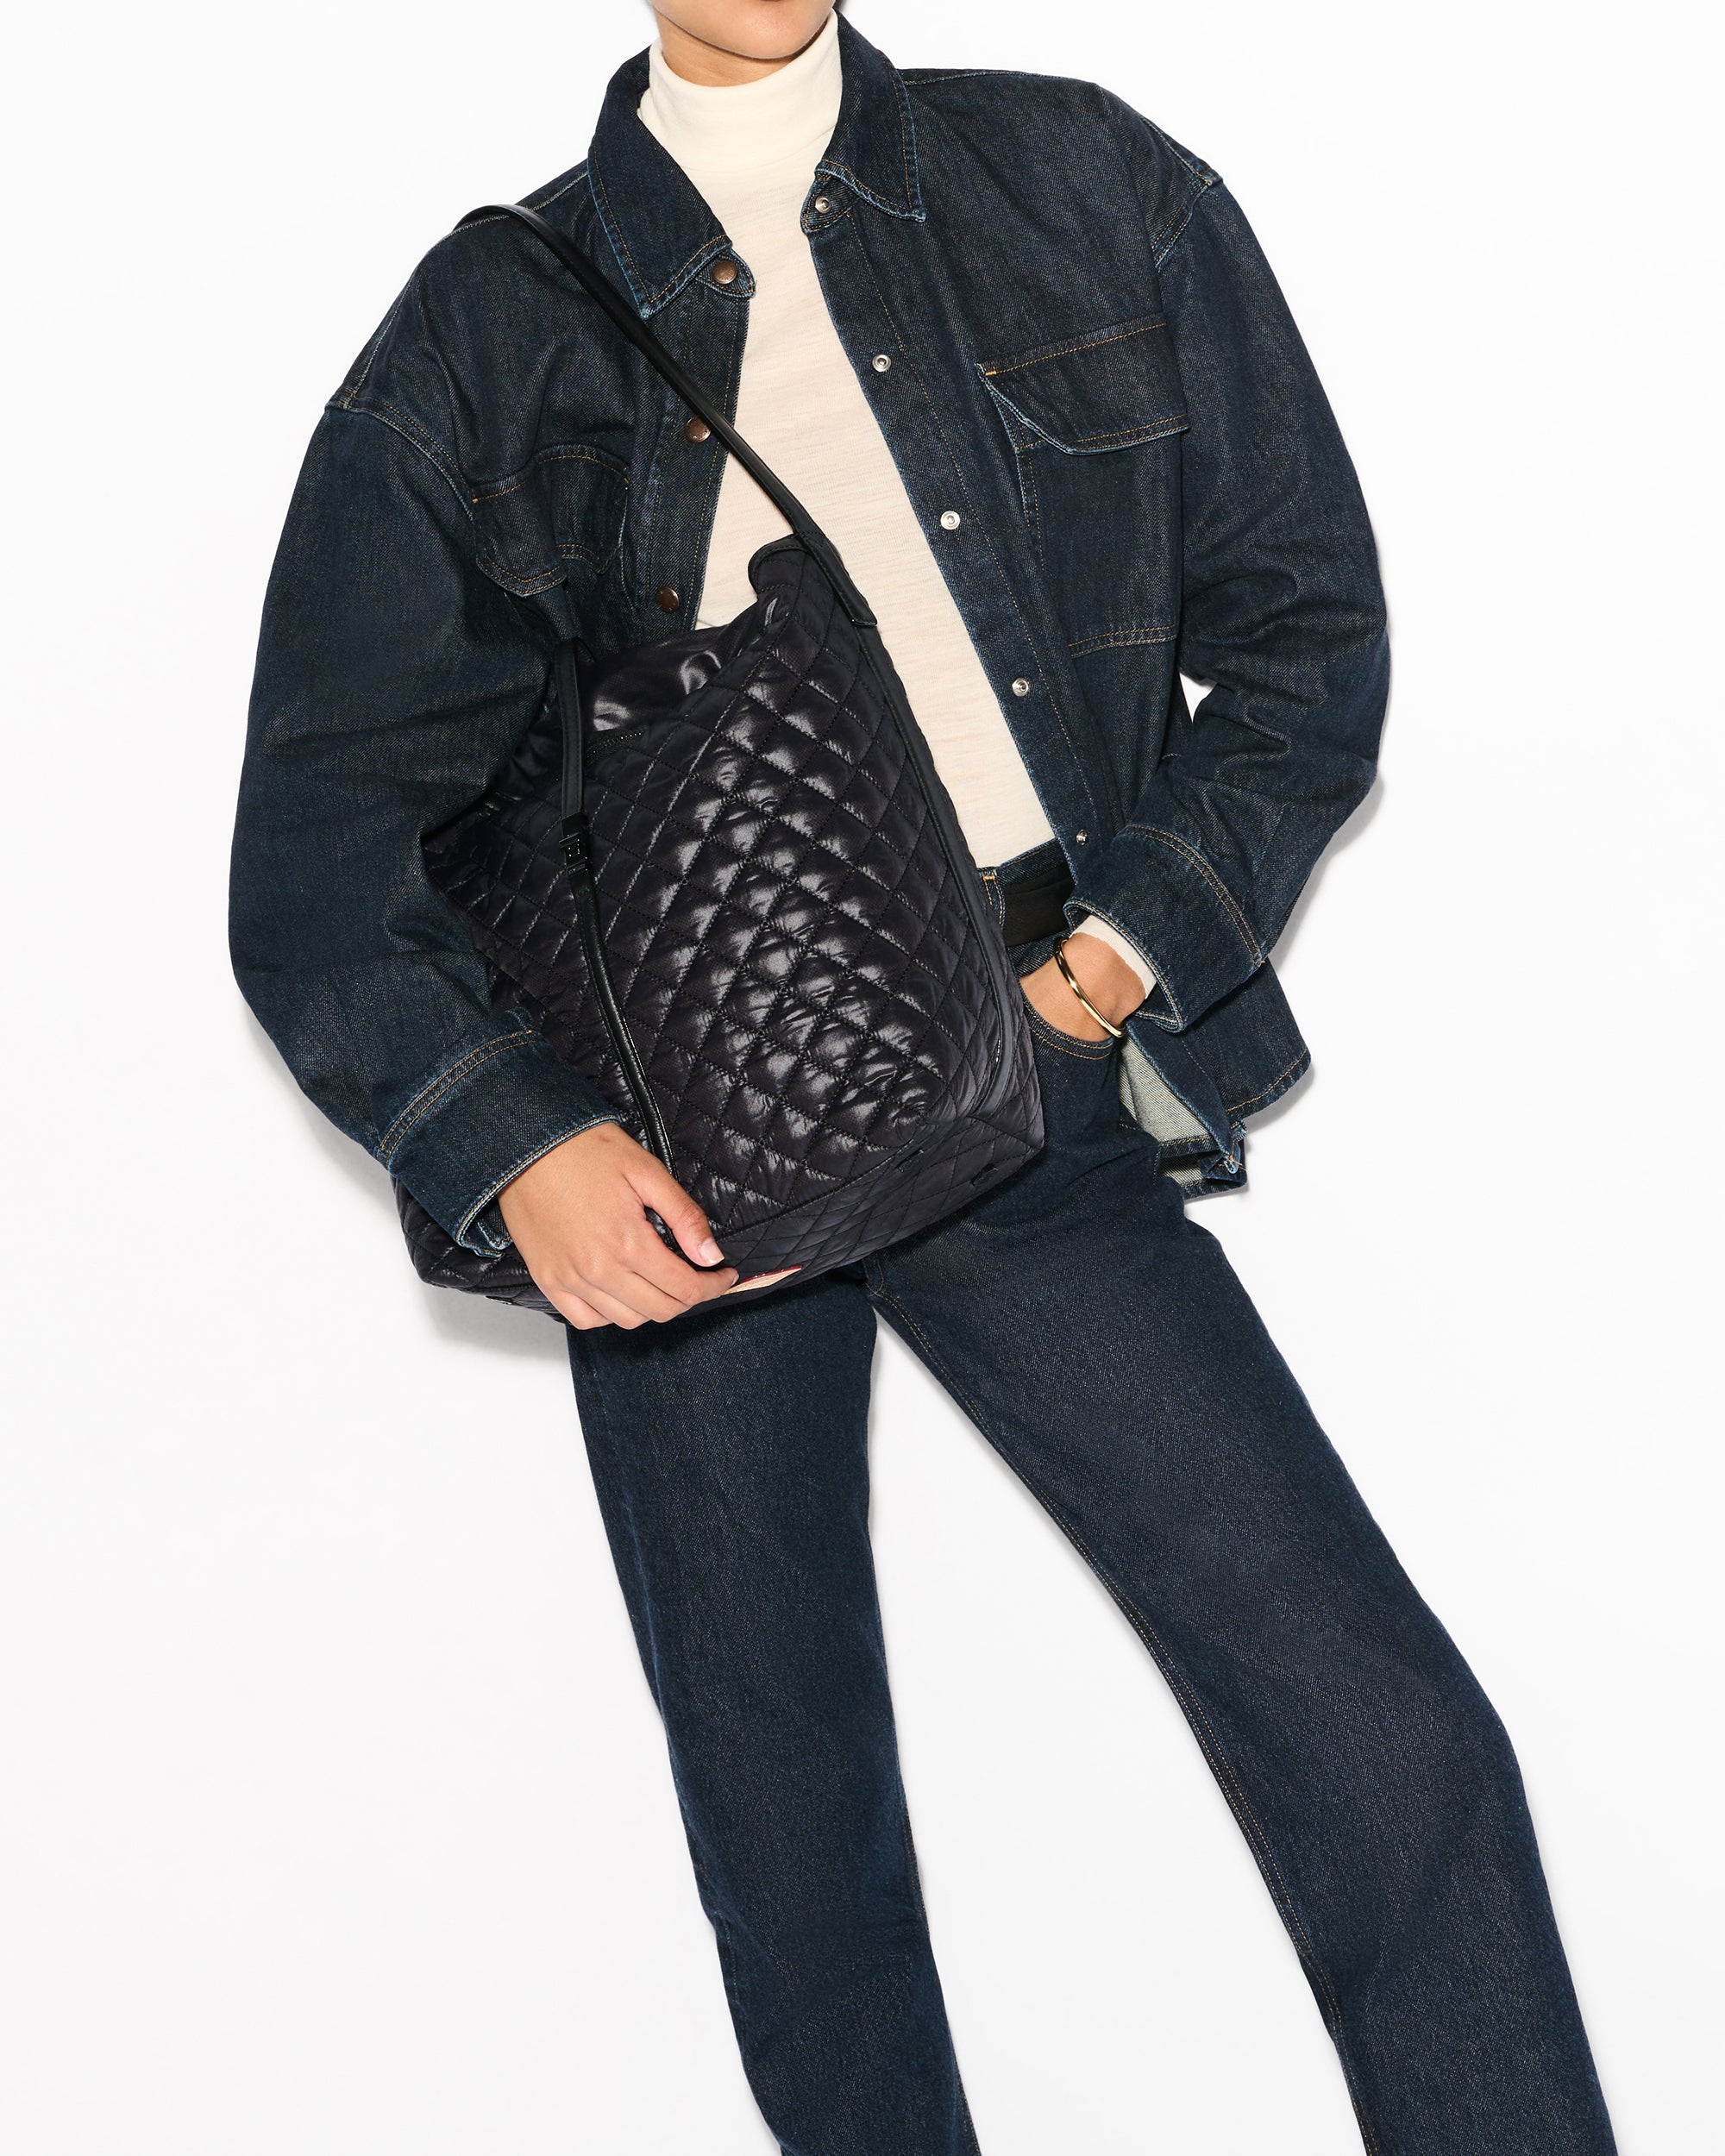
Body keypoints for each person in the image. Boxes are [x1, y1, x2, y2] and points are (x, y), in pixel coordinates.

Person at [229, 3, 1617, 2147]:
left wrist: (1120, 950)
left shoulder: (1081, 182)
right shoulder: (485, 327)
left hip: (1024, 1071)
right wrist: (519, 1143)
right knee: (795, 1842)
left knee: (1372, 1716)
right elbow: (319, 843)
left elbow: (1302, 630)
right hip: (680, 1157)